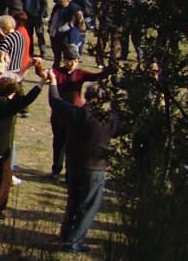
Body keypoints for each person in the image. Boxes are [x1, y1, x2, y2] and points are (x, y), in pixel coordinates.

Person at [48, 73, 123, 252]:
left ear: (85, 97)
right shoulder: (109, 120)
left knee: (73, 201)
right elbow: (127, 125)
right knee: (88, 206)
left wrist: (52, 82)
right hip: (95, 168)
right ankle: (75, 241)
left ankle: (66, 235)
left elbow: (55, 101)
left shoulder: (76, 113)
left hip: (74, 165)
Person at [0, 58, 49, 225]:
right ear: (11, 93)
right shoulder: (8, 106)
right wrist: (42, 82)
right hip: (1, 151)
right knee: (1, 184)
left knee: (3, 181)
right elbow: (28, 99)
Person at [48, 47, 109, 181]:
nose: (73, 64)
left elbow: (96, 76)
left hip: (75, 114)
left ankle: (70, 173)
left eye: (75, 61)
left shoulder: (80, 73)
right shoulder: (57, 72)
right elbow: (42, 74)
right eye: (71, 61)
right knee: (58, 143)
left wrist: (108, 70)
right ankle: (56, 170)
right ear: (65, 60)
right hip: (59, 114)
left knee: (72, 144)